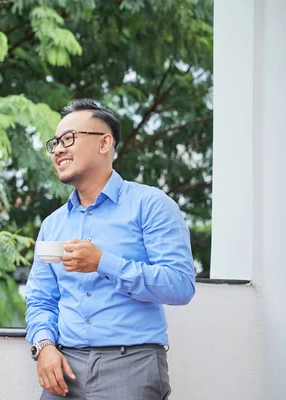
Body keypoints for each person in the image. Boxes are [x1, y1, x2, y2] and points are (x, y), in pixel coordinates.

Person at [25, 99, 195, 399]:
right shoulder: (53, 224)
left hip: (132, 364)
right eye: (55, 143)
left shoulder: (150, 205)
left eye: (69, 139)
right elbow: (40, 299)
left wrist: (103, 263)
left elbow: (180, 286)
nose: (58, 150)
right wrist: (44, 346)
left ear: (105, 143)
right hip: (64, 368)